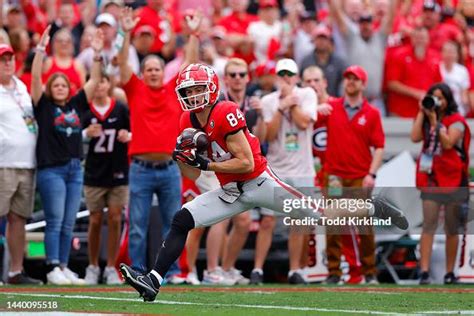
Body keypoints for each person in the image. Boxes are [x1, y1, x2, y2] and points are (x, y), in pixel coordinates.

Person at [119, 62, 409, 302]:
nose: (193, 96)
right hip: (231, 190)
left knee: (321, 215)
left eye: (197, 89)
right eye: (188, 90)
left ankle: (374, 207)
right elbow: (195, 175)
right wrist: (184, 161)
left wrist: (206, 163)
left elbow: (245, 163)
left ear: (211, 88)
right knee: (183, 219)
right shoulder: (186, 121)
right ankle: (153, 280)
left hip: (260, 182)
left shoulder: (226, 111)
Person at [117, 7, 200, 277]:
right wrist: (126, 33)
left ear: (163, 72)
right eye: (148, 69)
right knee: (138, 226)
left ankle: (172, 272)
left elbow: (189, 63)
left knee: (172, 225)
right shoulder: (135, 89)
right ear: (142, 72)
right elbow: (121, 64)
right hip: (140, 168)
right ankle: (137, 272)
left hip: (168, 169)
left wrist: (193, 33)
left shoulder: (173, 90)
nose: (153, 73)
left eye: (157, 69)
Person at [31, 25, 104, 285]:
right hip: (52, 169)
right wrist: (41, 51)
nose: (61, 88)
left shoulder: (75, 104)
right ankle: (51, 267)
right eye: (57, 85)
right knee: (55, 220)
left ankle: (63, 266)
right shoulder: (43, 106)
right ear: (51, 88)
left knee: (68, 222)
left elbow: (94, 82)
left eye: (64, 85)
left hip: (75, 168)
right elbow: (36, 80)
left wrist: (97, 54)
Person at [251, 58, 317, 285]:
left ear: (296, 77)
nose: (286, 78)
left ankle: (294, 270)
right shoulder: (269, 101)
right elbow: (268, 136)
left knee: (299, 222)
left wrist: (292, 102)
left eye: (290, 74)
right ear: (277, 77)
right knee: (268, 220)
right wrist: (281, 106)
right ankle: (257, 270)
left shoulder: (307, 94)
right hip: (276, 169)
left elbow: (303, 123)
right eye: (282, 74)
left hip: (302, 170)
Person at [318, 65, 385, 285]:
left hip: (359, 175)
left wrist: (372, 174)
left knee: (363, 224)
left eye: (355, 79)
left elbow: (379, 146)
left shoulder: (372, 113)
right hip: (335, 175)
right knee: (333, 224)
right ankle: (334, 272)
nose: (351, 82)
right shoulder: (332, 107)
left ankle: (369, 271)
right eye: (348, 78)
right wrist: (317, 107)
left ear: (363, 84)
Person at [411, 82, 471, 285]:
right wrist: (422, 112)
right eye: (434, 97)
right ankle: (424, 271)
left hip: (453, 178)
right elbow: (415, 137)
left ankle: (449, 272)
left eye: (441, 98)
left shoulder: (457, 121)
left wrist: (435, 120)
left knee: (451, 228)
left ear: (448, 99)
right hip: (432, 177)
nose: (437, 101)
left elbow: (447, 143)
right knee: (428, 224)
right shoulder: (427, 118)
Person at [82, 72, 130, 285]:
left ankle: (111, 266)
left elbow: (132, 131)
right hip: (94, 171)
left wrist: (127, 136)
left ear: (109, 84)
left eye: (103, 80)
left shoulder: (120, 108)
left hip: (118, 170)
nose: (100, 85)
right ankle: (93, 265)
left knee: (115, 217)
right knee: (94, 219)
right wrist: (85, 134)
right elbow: (74, 136)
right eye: (96, 81)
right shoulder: (85, 109)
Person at [0, 43, 42, 285]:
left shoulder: (21, 88)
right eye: (3, 59)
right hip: (3, 162)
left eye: (10, 58)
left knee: (18, 218)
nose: (7, 63)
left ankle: (15, 272)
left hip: (27, 163)